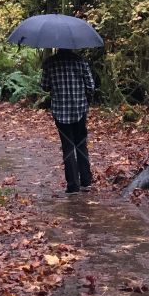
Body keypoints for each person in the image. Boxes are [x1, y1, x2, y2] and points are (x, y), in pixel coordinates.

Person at [41, 48, 95, 193]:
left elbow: (44, 86)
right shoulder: (80, 62)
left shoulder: (50, 63)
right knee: (81, 144)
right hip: (79, 109)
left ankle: (73, 185)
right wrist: (86, 100)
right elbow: (90, 85)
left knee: (68, 146)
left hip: (60, 111)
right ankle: (86, 181)